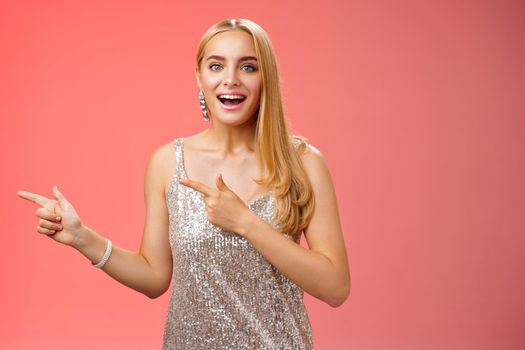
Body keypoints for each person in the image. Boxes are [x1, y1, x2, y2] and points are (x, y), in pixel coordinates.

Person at [18, 18, 350, 349]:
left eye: (248, 67)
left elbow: (335, 288)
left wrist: (247, 224)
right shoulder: (167, 163)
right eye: (216, 65)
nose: (230, 79)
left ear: (267, 78)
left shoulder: (303, 162)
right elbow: (153, 277)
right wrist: (82, 238)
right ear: (199, 77)